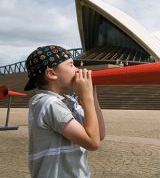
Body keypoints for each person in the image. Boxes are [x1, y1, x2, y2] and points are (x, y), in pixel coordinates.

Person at [25, 45, 105, 178]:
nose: (77, 70)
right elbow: (93, 142)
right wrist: (87, 98)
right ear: (51, 73)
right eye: (71, 65)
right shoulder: (46, 103)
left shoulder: (68, 102)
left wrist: (92, 95)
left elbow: (99, 134)